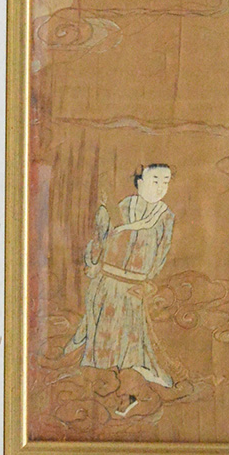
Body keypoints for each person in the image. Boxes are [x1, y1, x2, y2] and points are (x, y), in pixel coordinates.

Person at [64, 164, 175, 388]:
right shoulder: (121, 208)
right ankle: (99, 374)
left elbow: (161, 252)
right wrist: (93, 263)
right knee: (103, 329)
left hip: (134, 284)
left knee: (131, 333)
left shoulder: (165, 217)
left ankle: (129, 376)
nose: (160, 188)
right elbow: (100, 237)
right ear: (139, 182)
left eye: (165, 182)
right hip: (107, 281)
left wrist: (148, 281)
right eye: (155, 181)